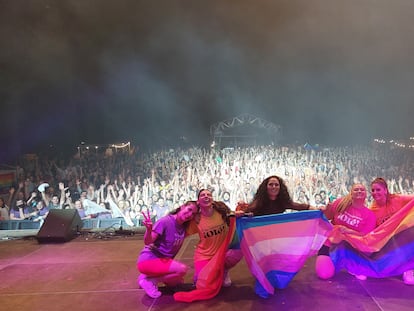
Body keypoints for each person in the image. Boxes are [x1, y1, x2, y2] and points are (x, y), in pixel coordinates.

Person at [137, 201, 199, 299]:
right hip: (148, 260)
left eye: (193, 213)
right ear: (182, 206)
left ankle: (146, 277)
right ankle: (150, 281)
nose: (190, 214)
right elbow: (148, 242)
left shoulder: (184, 227)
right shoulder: (165, 222)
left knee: (177, 281)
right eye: (189, 209)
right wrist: (149, 230)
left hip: (162, 262)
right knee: (181, 270)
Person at [315, 183, 376, 280]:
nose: (359, 191)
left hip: (351, 249)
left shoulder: (370, 215)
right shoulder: (340, 203)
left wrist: (349, 231)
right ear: (351, 193)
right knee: (324, 274)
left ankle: (351, 264)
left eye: (362, 189)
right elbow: (327, 217)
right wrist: (323, 210)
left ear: (366, 194)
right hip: (329, 245)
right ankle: (336, 262)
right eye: (356, 189)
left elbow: (366, 236)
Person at [188, 189, 242, 289]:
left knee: (238, 251)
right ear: (198, 201)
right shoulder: (195, 219)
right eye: (202, 195)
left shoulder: (221, 211)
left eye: (209, 194)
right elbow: (181, 229)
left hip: (222, 254)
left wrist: (241, 211)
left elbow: (233, 215)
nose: (206, 196)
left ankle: (224, 270)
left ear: (212, 199)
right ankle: (201, 274)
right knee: (204, 286)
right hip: (204, 256)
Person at [370, 177, 414, 285]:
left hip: (404, 237)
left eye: (378, 189)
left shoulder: (398, 199)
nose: (375, 193)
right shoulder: (372, 210)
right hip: (388, 243)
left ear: (385, 190)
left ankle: (409, 269)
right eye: (373, 190)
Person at [237, 175, 315, 216]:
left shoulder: (283, 202)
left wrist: (315, 209)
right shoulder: (259, 202)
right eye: (271, 184)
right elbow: (245, 212)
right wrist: (243, 212)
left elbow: (299, 206)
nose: (274, 187)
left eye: (276, 185)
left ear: (280, 188)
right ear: (265, 187)